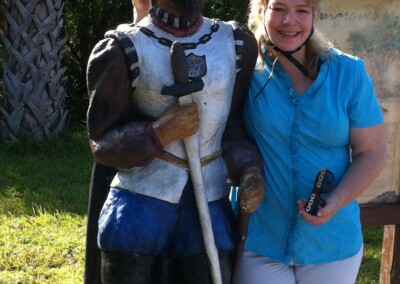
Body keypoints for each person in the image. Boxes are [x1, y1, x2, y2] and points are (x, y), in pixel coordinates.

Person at [85, 0, 265, 283]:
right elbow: (103, 141)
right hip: (139, 207)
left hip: (210, 202)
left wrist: (248, 168)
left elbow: (230, 125)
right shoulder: (124, 49)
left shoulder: (234, 43)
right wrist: (158, 133)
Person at [239, 0, 387, 283]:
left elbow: (373, 151)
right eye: (278, 8)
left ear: (315, 15)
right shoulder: (243, 72)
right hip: (260, 239)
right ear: (261, 11)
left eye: (302, 10)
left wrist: (336, 200)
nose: (289, 20)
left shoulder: (349, 73)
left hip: (332, 244)